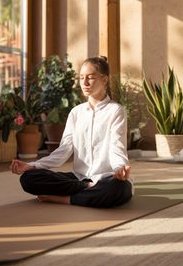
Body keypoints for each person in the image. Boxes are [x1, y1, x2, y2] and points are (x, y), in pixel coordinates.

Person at [11, 56, 133, 208]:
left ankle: (64, 199)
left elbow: (117, 146)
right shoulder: (76, 112)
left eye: (90, 77)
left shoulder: (116, 111)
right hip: (78, 180)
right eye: (81, 78)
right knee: (28, 179)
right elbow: (63, 150)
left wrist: (119, 169)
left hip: (106, 178)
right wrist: (33, 166)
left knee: (119, 188)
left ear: (104, 80)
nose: (85, 83)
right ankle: (87, 189)